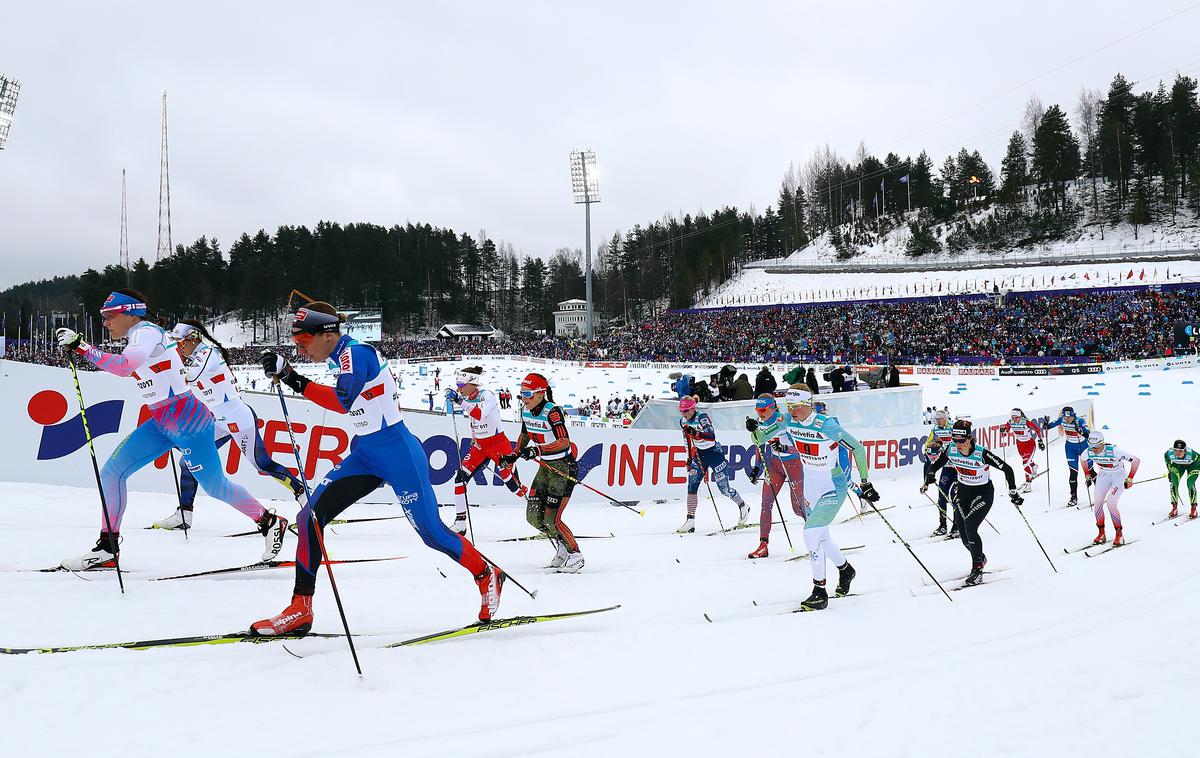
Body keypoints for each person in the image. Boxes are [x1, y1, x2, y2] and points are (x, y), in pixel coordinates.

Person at [250, 303, 503, 636]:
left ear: (327, 335)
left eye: (303, 342)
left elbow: (343, 401)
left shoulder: (356, 353)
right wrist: (288, 370)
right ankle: (300, 608)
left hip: (399, 454)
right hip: (366, 454)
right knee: (309, 517)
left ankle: (486, 572)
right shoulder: (337, 355)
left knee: (432, 533)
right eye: (296, 345)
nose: (300, 350)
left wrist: (292, 378)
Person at [54, 290, 286, 571]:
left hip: (189, 420)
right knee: (112, 473)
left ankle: (269, 521)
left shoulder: (146, 332)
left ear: (130, 313)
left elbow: (125, 367)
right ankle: (107, 548)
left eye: (109, 316)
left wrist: (83, 347)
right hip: (161, 421)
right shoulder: (138, 335)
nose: (105, 322)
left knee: (215, 486)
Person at [151, 320, 306, 532]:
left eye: (181, 342)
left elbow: (186, 378)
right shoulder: (197, 355)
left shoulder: (208, 354)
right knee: (188, 460)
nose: (179, 347)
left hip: (238, 419)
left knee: (263, 464)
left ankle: (305, 496)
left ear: (194, 337)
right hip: (220, 421)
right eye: (176, 343)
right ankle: (184, 514)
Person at [779, 388, 879, 610]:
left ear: (808, 404)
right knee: (822, 538)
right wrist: (757, 430)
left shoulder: (826, 425)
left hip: (833, 486)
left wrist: (865, 482)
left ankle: (819, 591)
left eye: (796, 407)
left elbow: (859, 448)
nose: (792, 411)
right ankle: (846, 570)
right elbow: (763, 435)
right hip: (811, 488)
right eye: (789, 407)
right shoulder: (789, 421)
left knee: (810, 534)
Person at [923, 419, 1022, 586]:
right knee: (963, 536)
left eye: (961, 441)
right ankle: (980, 558)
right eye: (954, 440)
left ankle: (977, 570)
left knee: (970, 526)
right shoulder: (951, 449)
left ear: (969, 439)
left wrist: (1013, 491)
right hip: (963, 492)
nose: (957, 444)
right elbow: (937, 463)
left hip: (982, 493)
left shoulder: (981, 453)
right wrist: (931, 474)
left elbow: (1007, 469)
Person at [501, 373, 583, 572]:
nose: (523, 398)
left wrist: (537, 450)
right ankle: (563, 546)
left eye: (527, 394)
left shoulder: (552, 412)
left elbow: (564, 442)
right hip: (545, 468)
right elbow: (525, 434)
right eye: (521, 394)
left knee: (551, 518)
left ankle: (575, 554)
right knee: (533, 516)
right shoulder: (526, 411)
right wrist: (514, 455)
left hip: (562, 468)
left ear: (540, 393)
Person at [445, 366, 525, 534]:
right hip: (480, 447)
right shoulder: (467, 397)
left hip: (498, 445)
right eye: (457, 384)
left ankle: (534, 505)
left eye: (461, 383)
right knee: (459, 479)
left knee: (512, 486)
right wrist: (474, 435)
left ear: (472, 383)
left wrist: (459, 400)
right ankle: (460, 522)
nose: (458, 387)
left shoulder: (486, 395)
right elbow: (473, 420)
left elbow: (479, 414)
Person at [676, 396, 749, 534]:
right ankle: (690, 520)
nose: (684, 413)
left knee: (724, 490)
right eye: (681, 411)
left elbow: (711, 436)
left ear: (693, 408)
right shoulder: (682, 421)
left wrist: (696, 433)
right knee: (691, 486)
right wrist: (689, 458)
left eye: (686, 410)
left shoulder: (702, 417)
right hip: (700, 456)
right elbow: (686, 440)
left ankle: (743, 505)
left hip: (715, 454)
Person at [744, 395, 805, 559]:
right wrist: (757, 467)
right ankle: (763, 545)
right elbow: (759, 444)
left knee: (798, 508)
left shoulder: (783, 420)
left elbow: (801, 448)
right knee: (766, 504)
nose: (760, 413)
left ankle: (819, 537)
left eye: (763, 410)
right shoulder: (760, 422)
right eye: (757, 409)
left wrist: (784, 448)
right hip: (775, 465)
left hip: (794, 465)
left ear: (773, 408)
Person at [1079, 432, 1140, 546]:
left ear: (1102, 444)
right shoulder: (1088, 451)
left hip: (1118, 477)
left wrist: (1130, 478)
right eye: (1091, 447)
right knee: (1097, 503)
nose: (1093, 450)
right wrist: (1087, 474)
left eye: (1096, 447)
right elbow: (1083, 460)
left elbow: (1136, 460)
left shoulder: (1114, 451)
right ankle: (1101, 533)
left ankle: (1119, 534)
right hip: (1103, 476)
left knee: (1111, 503)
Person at [922, 409, 959, 537]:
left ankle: (957, 525)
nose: (937, 421)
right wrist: (932, 445)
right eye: (936, 419)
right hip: (946, 466)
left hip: (958, 467)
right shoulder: (935, 429)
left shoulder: (953, 427)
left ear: (945, 418)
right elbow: (929, 443)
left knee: (955, 496)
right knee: (941, 495)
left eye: (940, 419)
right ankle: (943, 525)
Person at [1046, 405, 1091, 507]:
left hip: (1083, 447)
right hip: (1070, 448)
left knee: (1090, 472)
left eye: (1069, 417)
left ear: (1073, 416)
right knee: (1073, 472)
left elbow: (1089, 434)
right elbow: (1049, 426)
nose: (1067, 419)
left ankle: (1100, 492)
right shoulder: (1062, 420)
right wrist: (1045, 425)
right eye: (1065, 417)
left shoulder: (1080, 421)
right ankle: (1074, 497)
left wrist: (1081, 431)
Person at [1000, 408, 1045, 493]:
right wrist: (1003, 431)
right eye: (1013, 417)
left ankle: (1028, 483)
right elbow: (1006, 431)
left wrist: (1040, 441)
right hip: (1020, 444)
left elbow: (1037, 429)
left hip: (1029, 444)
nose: (1015, 419)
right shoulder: (1011, 422)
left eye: (1016, 417)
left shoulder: (1026, 422)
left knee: (1025, 463)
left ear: (1020, 416)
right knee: (1026, 461)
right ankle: (1034, 466)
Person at [1166, 440, 1200, 519]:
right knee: (1174, 482)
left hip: (1193, 465)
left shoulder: (1192, 455)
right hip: (1178, 465)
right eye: (1175, 450)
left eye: (1180, 451)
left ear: (1185, 450)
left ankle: (1193, 508)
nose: (1177, 453)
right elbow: (1166, 459)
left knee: (1190, 483)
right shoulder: (1170, 453)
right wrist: (1169, 471)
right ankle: (1174, 508)